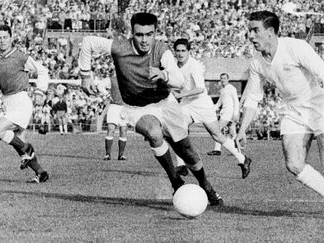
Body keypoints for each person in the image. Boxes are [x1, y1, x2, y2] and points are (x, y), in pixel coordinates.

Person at [78, 13, 223, 205]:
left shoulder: (162, 51)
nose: (144, 40)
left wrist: (164, 74)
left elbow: (179, 81)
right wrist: (85, 75)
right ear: (132, 33)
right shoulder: (120, 47)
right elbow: (88, 42)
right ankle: (175, 181)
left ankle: (205, 185)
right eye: (139, 35)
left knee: (186, 151)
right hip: (136, 108)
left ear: (155, 33)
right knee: (154, 133)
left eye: (149, 34)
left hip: (165, 104)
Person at [235, 11, 324, 219]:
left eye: (255, 30)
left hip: (319, 106)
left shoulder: (295, 47)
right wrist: (242, 129)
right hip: (292, 111)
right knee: (294, 164)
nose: (250, 35)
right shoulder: (256, 62)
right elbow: (252, 98)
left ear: (270, 32)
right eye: (249, 30)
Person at [0, 24, 49, 183]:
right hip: (8, 104)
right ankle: (41, 172)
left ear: (11, 38)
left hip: (21, 102)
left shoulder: (20, 57)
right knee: (18, 144)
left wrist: (40, 91)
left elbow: (42, 71)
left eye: (5, 37)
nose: (2, 41)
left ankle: (28, 149)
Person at [172, 38, 251, 179]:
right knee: (177, 130)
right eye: (177, 51)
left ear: (189, 51)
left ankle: (243, 159)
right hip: (186, 104)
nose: (180, 53)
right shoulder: (174, 66)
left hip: (201, 104)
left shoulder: (194, 66)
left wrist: (182, 94)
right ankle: (181, 165)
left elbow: (201, 89)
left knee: (216, 135)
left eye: (183, 50)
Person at [207, 73, 241, 156]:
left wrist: (235, 114)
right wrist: (212, 109)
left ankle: (217, 150)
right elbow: (219, 102)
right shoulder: (223, 90)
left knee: (217, 129)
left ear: (228, 79)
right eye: (221, 78)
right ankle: (237, 151)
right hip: (225, 113)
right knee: (233, 132)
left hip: (229, 113)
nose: (223, 80)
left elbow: (236, 101)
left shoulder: (231, 88)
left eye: (224, 78)